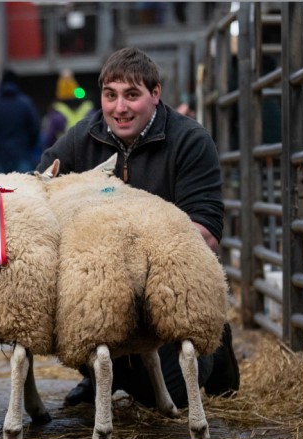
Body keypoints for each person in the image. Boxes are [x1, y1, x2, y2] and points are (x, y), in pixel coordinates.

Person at [36, 47, 240, 409]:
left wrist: (136, 261)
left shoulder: (189, 140)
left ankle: (214, 343)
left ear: (155, 94)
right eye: (110, 96)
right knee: (73, 314)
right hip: (101, 289)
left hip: (165, 289)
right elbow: (40, 190)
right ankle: (100, 376)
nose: (119, 108)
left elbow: (205, 229)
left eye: (132, 95)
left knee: (166, 395)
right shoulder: (81, 139)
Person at [41, 69, 95, 149]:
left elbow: (49, 139)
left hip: (65, 154)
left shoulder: (56, 113)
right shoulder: (89, 109)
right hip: (87, 152)